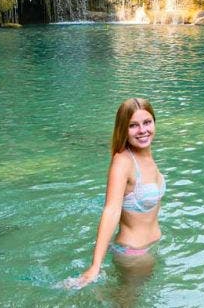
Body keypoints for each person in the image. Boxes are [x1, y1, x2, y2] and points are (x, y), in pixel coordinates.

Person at [68, 97, 166, 290]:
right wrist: (95, 266)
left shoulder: (147, 154)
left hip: (152, 247)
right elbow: (111, 211)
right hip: (134, 254)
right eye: (133, 125)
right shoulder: (123, 162)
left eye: (147, 122)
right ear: (123, 129)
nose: (143, 130)